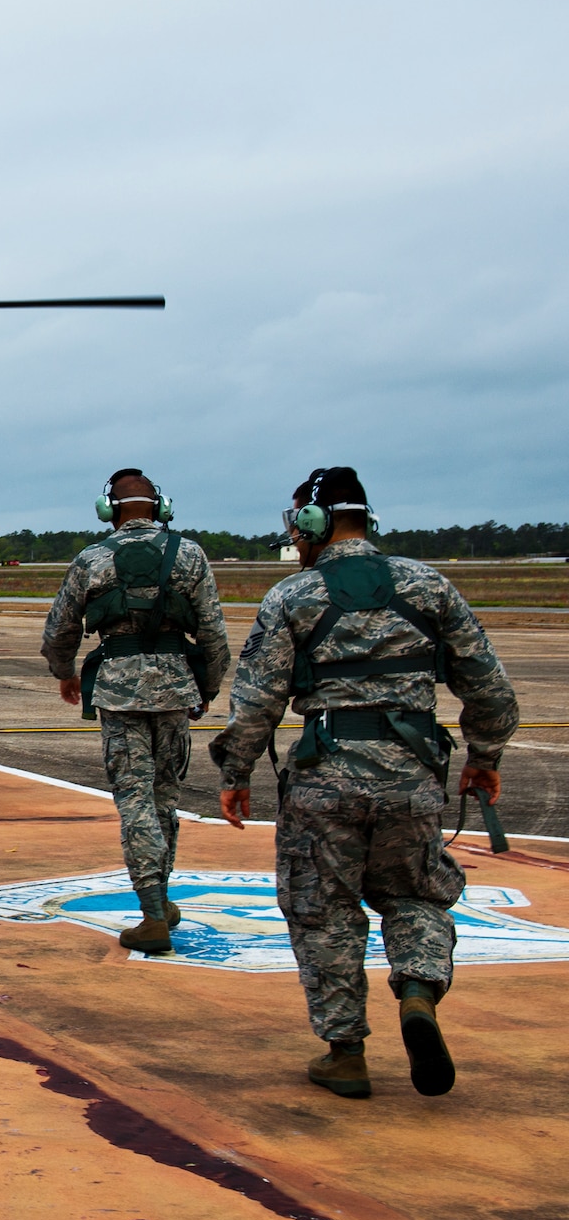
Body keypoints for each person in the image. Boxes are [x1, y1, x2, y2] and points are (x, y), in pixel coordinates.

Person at [209, 467, 517, 1100]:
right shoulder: (430, 586)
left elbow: (255, 704)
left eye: (297, 526)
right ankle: (418, 994)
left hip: (327, 779)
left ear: (315, 524)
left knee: (323, 909)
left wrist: (236, 772)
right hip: (413, 778)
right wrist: (483, 757)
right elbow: (490, 689)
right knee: (416, 894)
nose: (294, 539)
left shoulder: (293, 597)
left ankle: (346, 1051)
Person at [40, 469, 231, 954]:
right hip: (174, 687)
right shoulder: (189, 554)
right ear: (160, 507)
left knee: (135, 798)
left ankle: (151, 913)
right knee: (165, 796)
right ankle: (161, 900)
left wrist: (64, 670)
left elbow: (61, 625)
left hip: (120, 690)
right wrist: (205, 687)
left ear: (111, 510)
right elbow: (213, 634)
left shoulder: (93, 558)